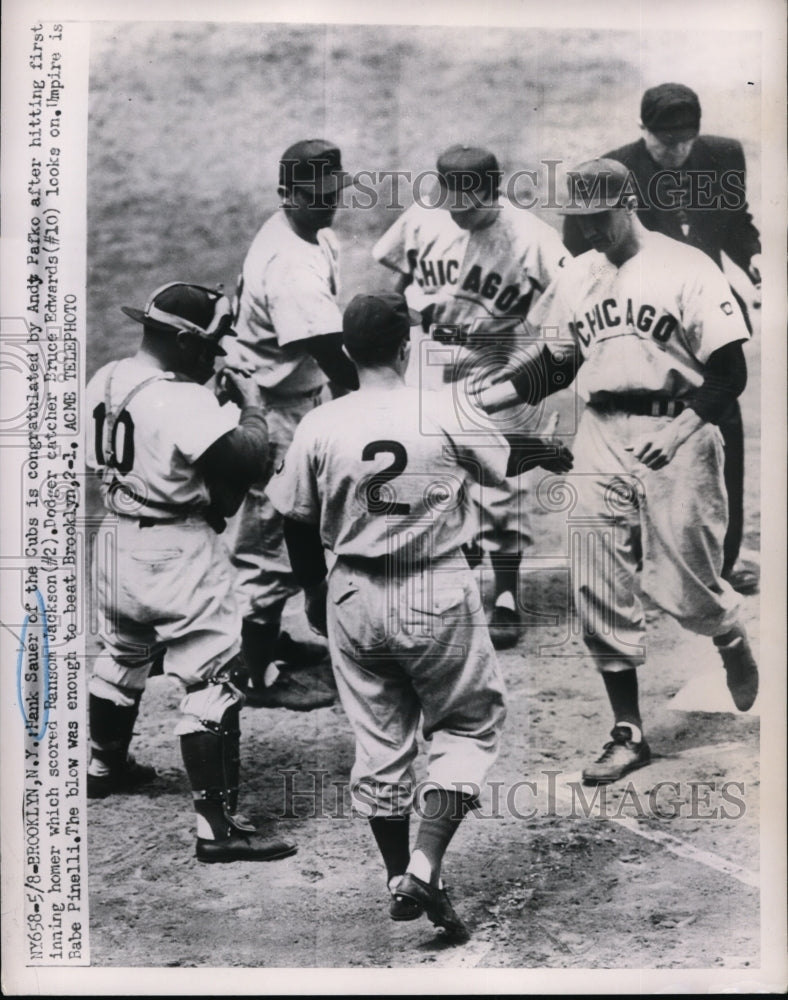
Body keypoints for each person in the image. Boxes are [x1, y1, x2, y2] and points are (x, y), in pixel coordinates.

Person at [267, 292, 571, 941]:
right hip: (435, 590)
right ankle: (427, 864)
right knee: (467, 724)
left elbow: (292, 519)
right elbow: (503, 461)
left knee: (379, 743)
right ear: (406, 346)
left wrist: (317, 594)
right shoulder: (439, 408)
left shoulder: (322, 423)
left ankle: (396, 874)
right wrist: (545, 450)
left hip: (352, 592)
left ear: (347, 352)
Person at [478, 159, 759, 785]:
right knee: (596, 578)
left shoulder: (686, 267)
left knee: (689, 583)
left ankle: (728, 633)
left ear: (627, 204)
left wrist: (680, 428)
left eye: (600, 218)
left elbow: (728, 376)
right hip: (601, 433)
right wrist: (487, 398)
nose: (590, 232)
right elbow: (555, 365)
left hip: (678, 428)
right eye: (580, 221)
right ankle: (627, 731)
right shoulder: (578, 275)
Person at [86, 281, 297, 863]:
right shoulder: (182, 399)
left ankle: (103, 766)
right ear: (183, 339)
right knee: (216, 679)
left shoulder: (104, 376)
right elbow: (247, 458)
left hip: (114, 538)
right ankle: (217, 828)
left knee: (123, 651)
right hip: (176, 549)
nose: (217, 355)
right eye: (211, 344)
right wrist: (251, 406)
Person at [562, 83, 761, 594]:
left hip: (705, 305)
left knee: (722, 425)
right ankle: (640, 557)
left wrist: (753, 261)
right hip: (643, 321)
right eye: (663, 142)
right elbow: (583, 249)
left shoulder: (722, 154)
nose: (675, 152)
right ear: (642, 131)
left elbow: (736, 221)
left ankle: (724, 558)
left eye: (684, 141)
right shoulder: (613, 171)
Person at [372, 144, 568, 649]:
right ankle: (440, 584)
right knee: (429, 473)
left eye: (468, 202)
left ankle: (504, 595)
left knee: (502, 483)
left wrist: (540, 372)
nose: (457, 211)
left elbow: (572, 301)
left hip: (496, 362)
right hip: (427, 357)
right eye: (450, 199)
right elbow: (397, 281)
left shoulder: (530, 237)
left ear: (492, 190)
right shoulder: (423, 217)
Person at [222, 138, 360, 710]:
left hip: (290, 394)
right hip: (273, 410)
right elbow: (333, 357)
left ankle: (270, 638)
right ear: (287, 194)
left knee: (290, 529)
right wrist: (364, 400)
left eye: (332, 194)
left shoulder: (302, 231)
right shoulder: (290, 266)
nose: (328, 207)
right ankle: (253, 675)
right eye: (315, 198)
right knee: (268, 541)